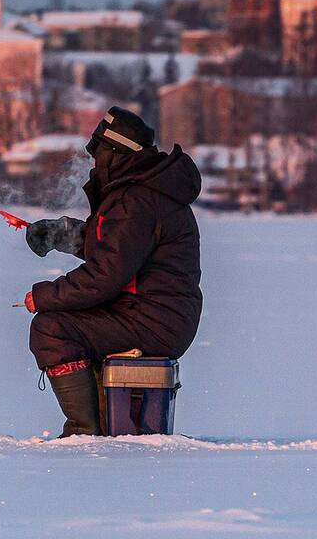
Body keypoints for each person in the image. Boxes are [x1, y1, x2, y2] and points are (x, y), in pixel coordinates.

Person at [24, 106, 202, 437]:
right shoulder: (143, 193)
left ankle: (83, 431)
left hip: (152, 321)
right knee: (70, 321)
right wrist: (61, 233)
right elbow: (117, 248)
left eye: (98, 153)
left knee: (51, 328)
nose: (92, 162)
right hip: (153, 314)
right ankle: (100, 425)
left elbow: (105, 277)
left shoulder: (137, 200)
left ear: (115, 155)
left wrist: (43, 296)